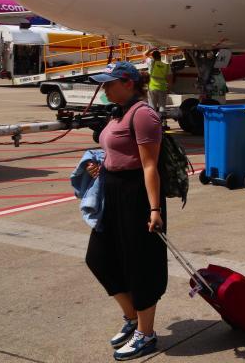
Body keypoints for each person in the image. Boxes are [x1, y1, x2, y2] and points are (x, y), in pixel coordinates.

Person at [84, 61, 166, 360]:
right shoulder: (117, 112)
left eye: (109, 84)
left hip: (138, 197)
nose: (104, 89)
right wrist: (102, 168)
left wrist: (154, 209)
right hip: (113, 191)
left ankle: (146, 333)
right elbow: (116, 152)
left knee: (140, 265)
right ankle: (132, 318)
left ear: (128, 83)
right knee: (99, 257)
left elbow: (149, 166)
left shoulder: (143, 115)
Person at [144, 49, 173, 129]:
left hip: (152, 87)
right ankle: (163, 123)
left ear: (153, 57)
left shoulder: (152, 63)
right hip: (162, 88)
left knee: (152, 106)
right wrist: (169, 88)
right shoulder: (166, 66)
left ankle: (152, 122)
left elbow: (145, 54)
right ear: (160, 57)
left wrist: (152, 48)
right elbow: (170, 79)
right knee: (162, 106)